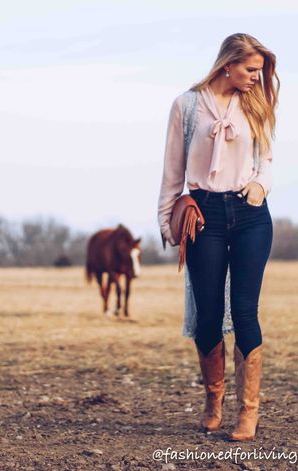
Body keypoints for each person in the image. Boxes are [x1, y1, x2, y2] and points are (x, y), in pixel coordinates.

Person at [157, 33, 280, 441]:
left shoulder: (255, 104)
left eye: (260, 71)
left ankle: (248, 412)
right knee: (208, 313)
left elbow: (266, 158)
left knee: (245, 311)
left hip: (250, 215)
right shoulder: (187, 106)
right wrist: (165, 222)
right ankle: (214, 400)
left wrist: (261, 185)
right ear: (227, 64)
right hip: (203, 215)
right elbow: (172, 171)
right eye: (249, 69)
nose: (255, 78)